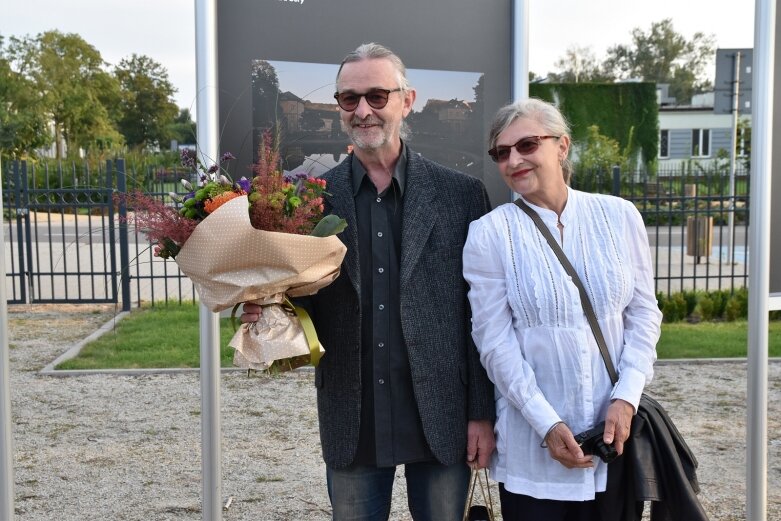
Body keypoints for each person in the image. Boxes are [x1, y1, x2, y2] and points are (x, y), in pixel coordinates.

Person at [242, 42, 496, 521]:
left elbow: (479, 315)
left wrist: (482, 412)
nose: (363, 110)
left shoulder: (460, 195)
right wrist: (265, 305)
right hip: (352, 416)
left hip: (442, 414)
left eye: (377, 96)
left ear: (407, 100)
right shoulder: (307, 201)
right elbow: (301, 303)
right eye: (349, 99)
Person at [462, 98, 663, 521]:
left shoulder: (619, 216)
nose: (514, 159)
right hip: (534, 450)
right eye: (502, 152)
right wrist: (547, 424)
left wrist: (626, 398)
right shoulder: (490, 234)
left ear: (562, 146)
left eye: (527, 145)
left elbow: (644, 314)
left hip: (615, 442)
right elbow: (494, 343)